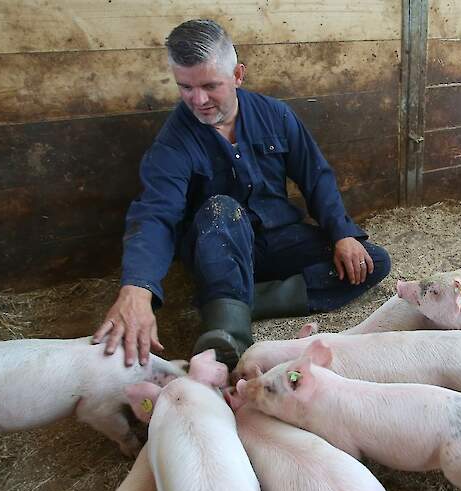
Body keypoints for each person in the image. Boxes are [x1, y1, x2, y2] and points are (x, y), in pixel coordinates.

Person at [92, 19, 391, 368]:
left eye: (209, 85)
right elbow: (155, 213)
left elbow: (316, 177)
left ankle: (236, 301)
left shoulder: (275, 115)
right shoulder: (173, 142)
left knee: (371, 262)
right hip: (219, 249)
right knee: (220, 209)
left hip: (279, 239)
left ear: (237, 75)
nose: (198, 99)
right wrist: (137, 288)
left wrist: (342, 233)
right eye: (185, 87)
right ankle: (229, 336)